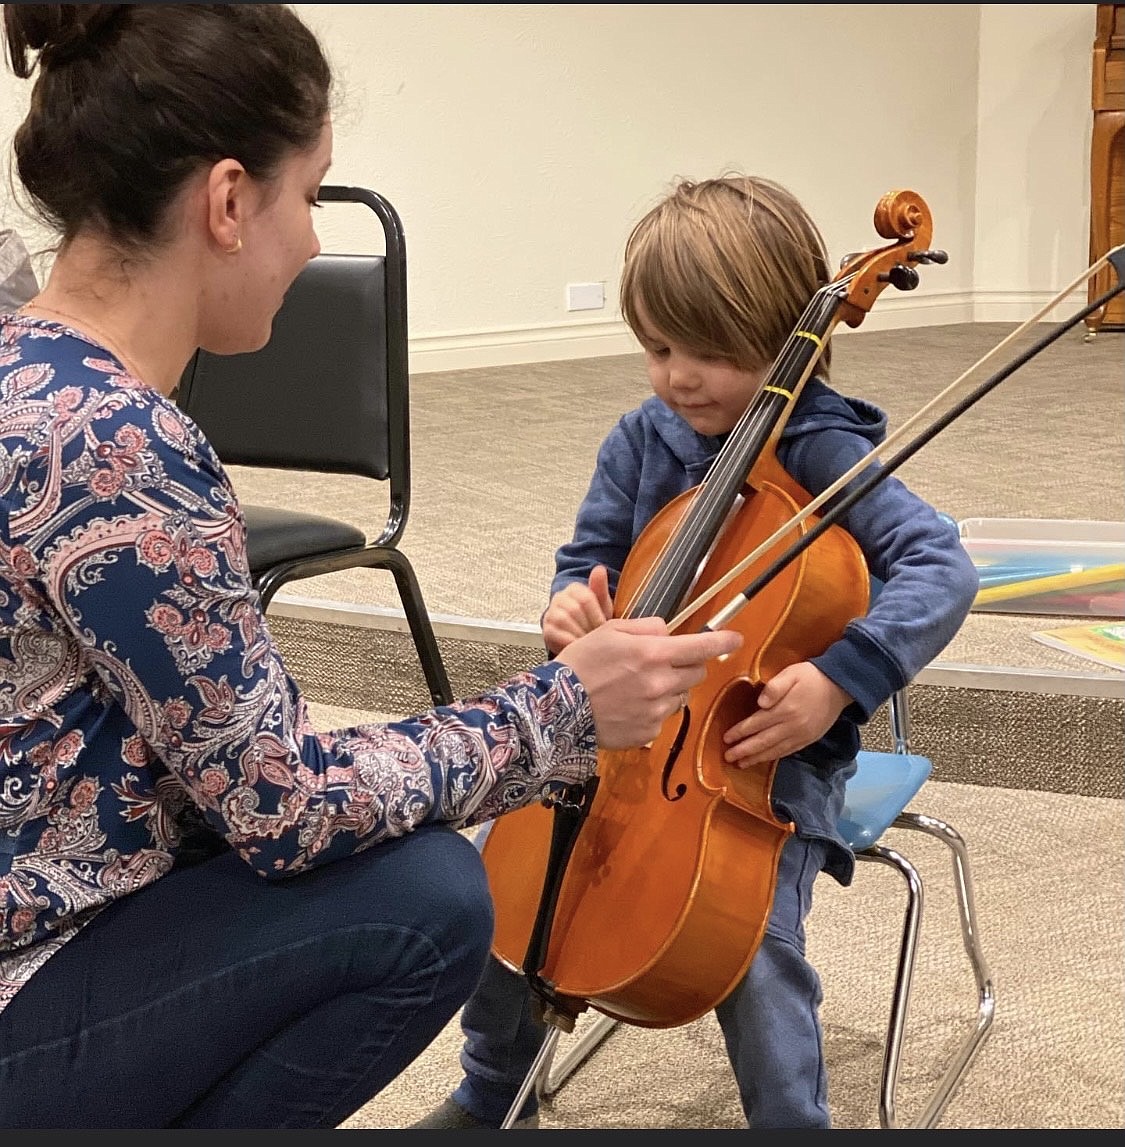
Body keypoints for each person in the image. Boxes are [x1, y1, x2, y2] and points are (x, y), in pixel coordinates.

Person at [0, 6, 741, 1130]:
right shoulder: (120, 446)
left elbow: (211, 758)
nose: (311, 240)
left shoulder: (27, 368)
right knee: (428, 898)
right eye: (312, 194)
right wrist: (559, 710)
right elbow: (282, 805)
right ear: (231, 201)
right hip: (24, 987)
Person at [414, 175, 980, 1130]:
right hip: (613, 733)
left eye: (712, 353)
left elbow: (941, 565)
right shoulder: (642, 440)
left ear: (791, 339)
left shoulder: (823, 453)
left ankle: (791, 1122)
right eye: (658, 348)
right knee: (505, 885)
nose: (679, 376)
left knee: (751, 945)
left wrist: (839, 680)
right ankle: (487, 1094)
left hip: (760, 757)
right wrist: (571, 611)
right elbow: (586, 561)